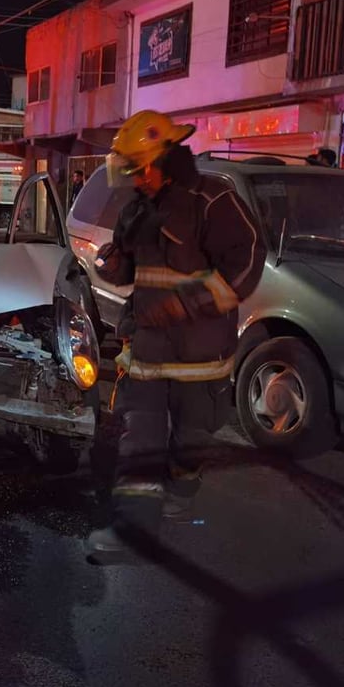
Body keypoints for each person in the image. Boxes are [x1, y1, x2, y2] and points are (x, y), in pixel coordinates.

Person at [89, 110, 266, 557]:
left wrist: (189, 302)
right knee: (139, 440)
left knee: (192, 439)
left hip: (200, 355)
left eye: (137, 169)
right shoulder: (137, 210)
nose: (133, 180)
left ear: (164, 159)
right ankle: (134, 530)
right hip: (148, 349)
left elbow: (246, 262)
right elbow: (131, 269)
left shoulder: (213, 199)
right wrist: (114, 264)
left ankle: (182, 493)